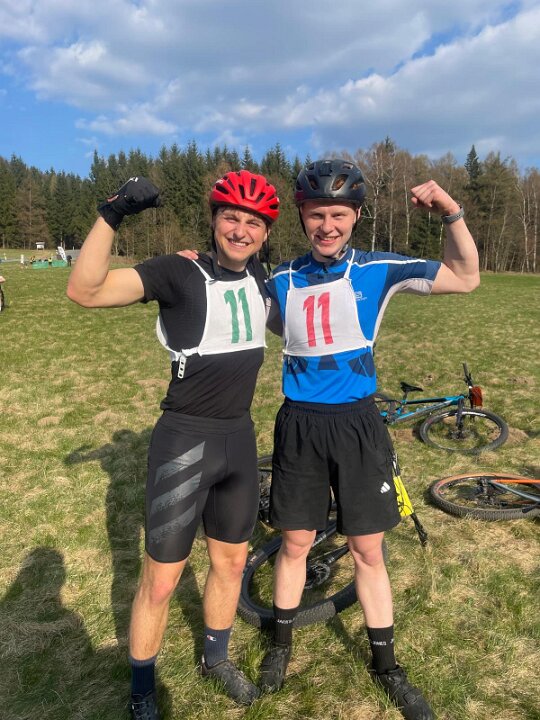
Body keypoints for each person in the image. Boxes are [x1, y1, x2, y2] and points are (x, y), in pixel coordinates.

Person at [260, 158, 480, 720]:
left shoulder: (379, 268)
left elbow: (466, 276)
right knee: (294, 543)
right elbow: (257, 317)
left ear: (356, 216)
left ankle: (386, 666)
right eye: (316, 215)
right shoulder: (280, 277)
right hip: (300, 424)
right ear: (302, 217)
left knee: (367, 549)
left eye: (338, 215)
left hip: (357, 425)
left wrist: (450, 212)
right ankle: (279, 645)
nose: (327, 226)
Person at [67, 171, 280, 719]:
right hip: (184, 440)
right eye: (230, 217)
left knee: (230, 564)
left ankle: (215, 658)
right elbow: (85, 291)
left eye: (253, 222)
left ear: (265, 234)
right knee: (161, 581)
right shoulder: (178, 272)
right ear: (213, 220)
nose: (240, 230)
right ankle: (142, 688)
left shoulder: (263, 277)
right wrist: (112, 214)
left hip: (238, 438)